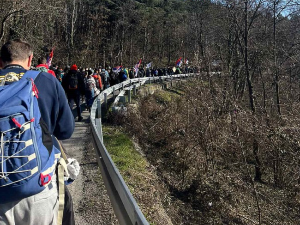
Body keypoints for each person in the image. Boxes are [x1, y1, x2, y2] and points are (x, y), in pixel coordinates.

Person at [0, 39, 75, 225]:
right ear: (30, 59)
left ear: (0, 62)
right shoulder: (46, 80)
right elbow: (65, 130)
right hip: (38, 186)